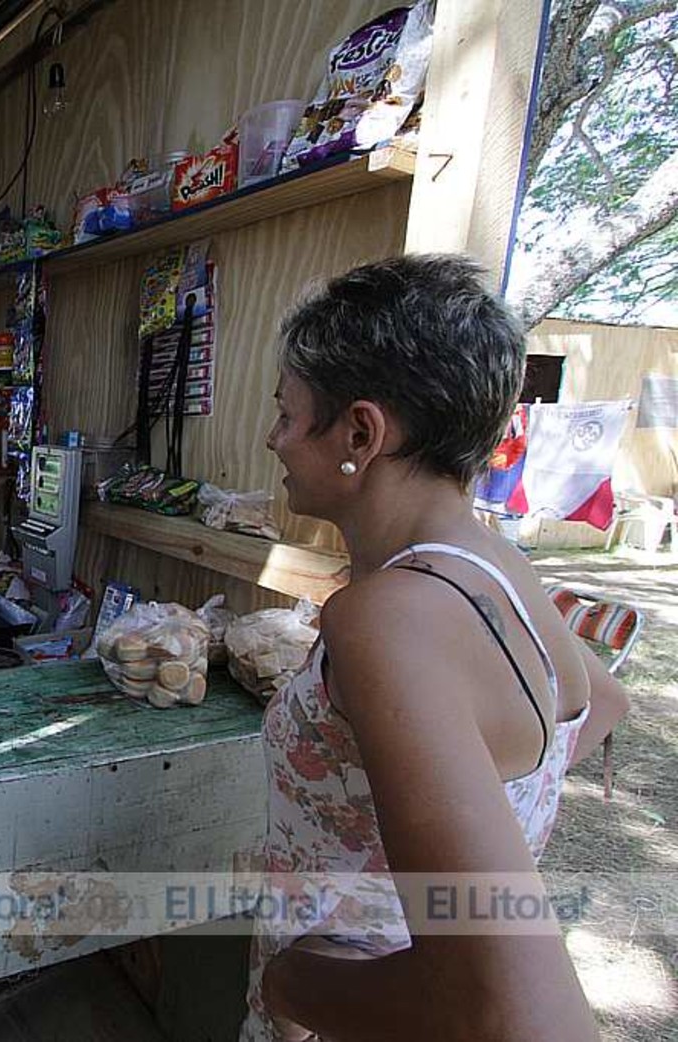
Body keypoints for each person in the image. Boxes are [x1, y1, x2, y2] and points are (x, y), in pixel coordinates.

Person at [241, 255, 628, 1041]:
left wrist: (288, 981)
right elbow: (603, 702)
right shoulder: (497, 566)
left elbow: (509, 1016)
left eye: (285, 412)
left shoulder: (386, 619)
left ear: (359, 432)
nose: (272, 438)